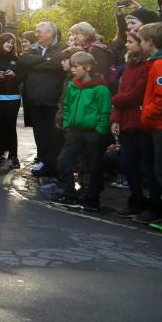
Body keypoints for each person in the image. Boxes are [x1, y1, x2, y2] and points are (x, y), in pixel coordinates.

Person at [48, 52, 111, 211]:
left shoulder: (101, 89)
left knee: (92, 166)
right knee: (64, 161)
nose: (72, 69)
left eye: (76, 67)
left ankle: (91, 199)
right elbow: (67, 105)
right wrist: (67, 124)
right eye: (72, 66)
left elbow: (105, 112)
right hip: (74, 131)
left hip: (93, 133)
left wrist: (100, 131)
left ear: (88, 67)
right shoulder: (72, 85)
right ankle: (69, 194)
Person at [111, 30, 159, 218]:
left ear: (142, 44)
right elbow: (122, 90)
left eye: (131, 41)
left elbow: (136, 94)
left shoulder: (148, 66)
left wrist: (114, 101)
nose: (127, 44)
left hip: (144, 123)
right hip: (127, 123)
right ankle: (136, 200)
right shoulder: (128, 66)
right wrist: (115, 118)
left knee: (148, 167)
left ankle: (154, 205)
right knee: (128, 163)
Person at [19, 21, 67, 177]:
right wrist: (45, 61)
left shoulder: (63, 48)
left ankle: (57, 166)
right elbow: (25, 60)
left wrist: (38, 62)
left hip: (54, 100)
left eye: (39, 31)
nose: (36, 34)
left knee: (56, 136)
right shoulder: (33, 49)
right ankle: (45, 163)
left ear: (50, 33)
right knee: (40, 134)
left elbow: (56, 64)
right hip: (35, 100)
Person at [138, 22, 162, 225]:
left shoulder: (160, 64)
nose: (140, 44)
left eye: (141, 40)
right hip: (159, 125)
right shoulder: (155, 62)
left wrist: (147, 114)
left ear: (151, 41)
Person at [0, 33, 23, 169]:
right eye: (7, 42)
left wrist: (14, 75)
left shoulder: (16, 59)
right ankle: (0, 155)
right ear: (1, 42)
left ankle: (14, 156)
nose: (10, 45)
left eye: (12, 43)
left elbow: (21, 77)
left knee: (10, 126)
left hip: (13, 97)